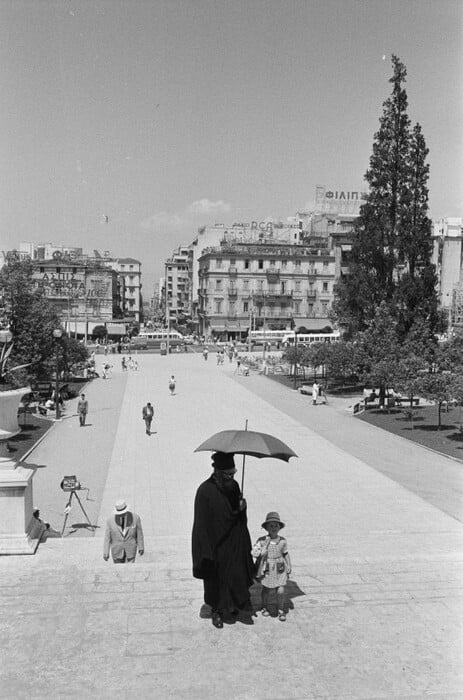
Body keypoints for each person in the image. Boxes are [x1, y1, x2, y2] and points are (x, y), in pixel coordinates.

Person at [192, 452, 254, 629]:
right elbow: (201, 524)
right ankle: (216, 612)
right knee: (215, 581)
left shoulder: (233, 486)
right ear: (218, 472)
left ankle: (232, 606)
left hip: (232, 543)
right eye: (228, 474)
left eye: (233, 474)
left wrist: (242, 508)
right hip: (214, 546)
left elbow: (237, 515)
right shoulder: (205, 491)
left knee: (233, 576)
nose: (232, 478)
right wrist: (205, 550)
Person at [252, 512, 291, 621]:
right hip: (267, 568)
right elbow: (255, 552)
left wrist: (289, 565)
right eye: (271, 526)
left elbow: (285, 553)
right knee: (267, 589)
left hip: (280, 568)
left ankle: (280, 609)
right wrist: (261, 551)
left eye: (276, 525)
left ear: (279, 527)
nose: (274, 528)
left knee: (281, 590)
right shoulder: (262, 540)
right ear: (266, 528)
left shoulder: (282, 541)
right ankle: (264, 606)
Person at [103, 499, 144, 563]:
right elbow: (107, 538)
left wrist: (141, 547)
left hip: (130, 551)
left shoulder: (135, 518)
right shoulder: (110, 520)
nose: (121, 515)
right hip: (117, 552)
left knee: (130, 570)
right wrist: (106, 552)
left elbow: (139, 533)